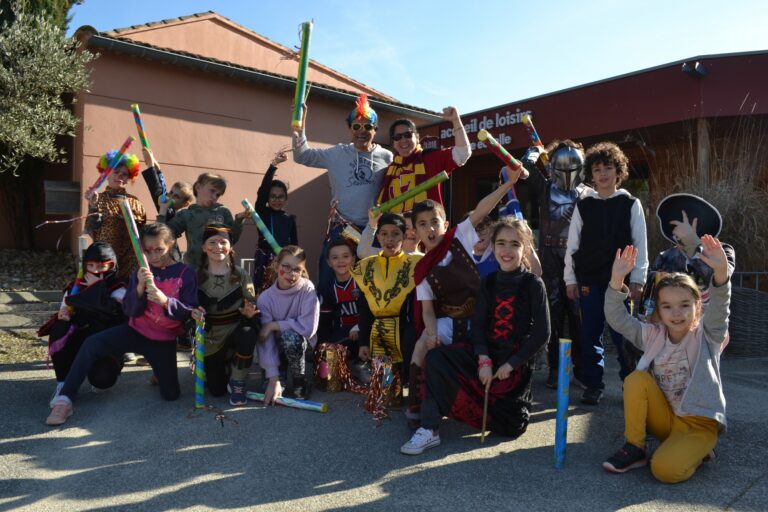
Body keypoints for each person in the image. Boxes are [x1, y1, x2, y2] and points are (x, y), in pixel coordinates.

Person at [400, 218, 550, 454]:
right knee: (436, 357)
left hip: (513, 369)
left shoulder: (533, 284)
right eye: (501, 243)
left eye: (514, 244)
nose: (507, 251)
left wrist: (511, 364)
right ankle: (429, 429)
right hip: (486, 359)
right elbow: (478, 326)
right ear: (493, 246)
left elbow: (542, 333)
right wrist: (483, 360)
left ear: (525, 249)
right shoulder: (488, 283)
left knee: (511, 426)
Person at [601, 238, 729, 483]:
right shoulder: (653, 335)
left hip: (698, 424)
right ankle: (635, 447)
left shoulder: (707, 335)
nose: (677, 313)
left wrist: (721, 274)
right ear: (658, 311)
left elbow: (721, 309)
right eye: (667, 306)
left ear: (697, 307)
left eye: (684, 305)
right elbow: (618, 319)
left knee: (664, 470)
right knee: (636, 379)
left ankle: (699, 450)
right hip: (668, 419)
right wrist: (617, 281)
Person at [46, 223, 198, 426]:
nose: (153, 256)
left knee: (171, 395)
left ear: (170, 245)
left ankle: (159, 370)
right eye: (148, 250)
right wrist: (139, 288)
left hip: (163, 339)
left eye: (159, 249)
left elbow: (189, 310)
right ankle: (65, 398)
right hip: (135, 331)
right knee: (92, 343)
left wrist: (164, 301)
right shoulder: (140, 272)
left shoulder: (185, 273)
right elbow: (130, 310)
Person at [406, 173, 520, 425]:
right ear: (415, 231)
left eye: (435, 221)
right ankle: (416, 404)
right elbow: (427, 311)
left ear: (445, 225)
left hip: (481, 319)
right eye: (422, 224)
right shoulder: (422, 269)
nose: (430, 228)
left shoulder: (459, 237)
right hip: (450, 321)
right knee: (421, 345)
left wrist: (508, 184)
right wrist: (433, 333)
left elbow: (482, 209)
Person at [564, 142, 648, 405]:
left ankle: (631, 383)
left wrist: (638, 278)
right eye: (597, 169)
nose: (603, 174)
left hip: (620, 283)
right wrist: (570, 279)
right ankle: (593, 385)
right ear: (591, 173)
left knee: (623, 336)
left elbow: (641, 243)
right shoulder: (584, 205)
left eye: (608, 168)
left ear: (618, 171)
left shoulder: (630, 204)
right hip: (588, 280)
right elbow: (572, 244)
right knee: (590, 335)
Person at [292, 93, 393, 292]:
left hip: (371, 230)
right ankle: (326, 318)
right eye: (356, 126)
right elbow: (302, 155)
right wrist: (299, 126)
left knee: (372, 281)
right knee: (329, 276)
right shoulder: (336, 153)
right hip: (342, 227)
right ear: (349, 129)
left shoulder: (387, 156)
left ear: (376, 129)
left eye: (367, 127)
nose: (361, 131)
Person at [522, 140, 590, 388]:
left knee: (578, 318)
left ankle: (581, 370)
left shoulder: (588, 193)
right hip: (549, 260)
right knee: (553, 315)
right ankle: (554, 369)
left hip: (577, 261)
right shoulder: (545, 188)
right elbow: (525, 167)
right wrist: (537, 150)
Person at [42, 242, 127, 408]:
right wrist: (64, 315)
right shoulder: (75, 287)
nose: (95, 271)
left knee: (103, 379)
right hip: (79, 341)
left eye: (102, 266)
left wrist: (97, 289)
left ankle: (93, 371)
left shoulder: (120, 288)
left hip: (106, 344)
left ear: (112, 265)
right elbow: (65, 308)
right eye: (91, 265)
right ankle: (63, 383)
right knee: (59, 327)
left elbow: (116, 316)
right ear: (84, 265)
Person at [351, 213, 422, 393]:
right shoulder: (369, 265)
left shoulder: (415, 264)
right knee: (386, 393)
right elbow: (365, 308)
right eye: (384, 234)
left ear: (404, 236)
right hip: (378, 333)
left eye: (395, 234)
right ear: (378, 236)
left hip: (406, 331)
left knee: (404, 386)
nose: (389, 239)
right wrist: (363, 341)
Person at [191, 224, 261, 406]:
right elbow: (187, 305)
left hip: (235, 329)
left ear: (230, 246)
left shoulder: (241, 274)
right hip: (210, 338)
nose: (218, 247)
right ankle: (223, 367)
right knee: (217, 391)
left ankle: (237, 381)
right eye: (212, 242)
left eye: (223, 242)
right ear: (204, 247)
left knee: (248, 332)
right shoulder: (195, 276)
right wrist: (194, 313)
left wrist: (249, 312)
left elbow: (250, 301)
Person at [256, 245, 320, 404]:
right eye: (286, 267)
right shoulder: (265, 299)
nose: (291, 274)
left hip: (302, 345)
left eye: (297, 269)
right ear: (277, 266)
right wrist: (273, 378)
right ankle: (280, 372)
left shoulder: (307, 289)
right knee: (271, 388)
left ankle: (300, 379)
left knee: (290, 336)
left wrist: (274, 325)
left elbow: (308, 328)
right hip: (276, 350)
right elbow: (266, 340)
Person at [376, 108, 470, 214]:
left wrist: (456, 120)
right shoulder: (389, 170)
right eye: (397, 137)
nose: (403, 140)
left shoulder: (430, 158)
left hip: (426, 228)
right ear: (393, 143)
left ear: (417, 137)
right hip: (398, 228)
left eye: (407, 135)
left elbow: (462, 154)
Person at [158, 172, 248, 270]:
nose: (214, 196)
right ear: (198, 187)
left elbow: (232, 239)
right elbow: (163, 235)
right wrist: (162, 210)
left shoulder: (222, 212)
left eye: (218, 194)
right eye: (212, 191)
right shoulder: (187, 214)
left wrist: (239, 220)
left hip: (218, 269)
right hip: (194, 268)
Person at [85, 150, 147, 280]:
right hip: (105, 260)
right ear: (106, 174)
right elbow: (92, 228)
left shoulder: (135, 202)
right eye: (116, 172)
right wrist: (93, 206)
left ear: (128, 178)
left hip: (130, 261)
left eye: (124, 174)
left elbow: (142, 233)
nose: (119, 176)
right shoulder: (98, 198)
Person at [252, 150, 299, 291]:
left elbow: (295, 246)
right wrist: (273, 165)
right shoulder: (263, 212)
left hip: (285, 262)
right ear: (267, 198)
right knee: (263, 292)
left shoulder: (290, 219)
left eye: (280, 197)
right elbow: (262, 191)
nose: (276, 200)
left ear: (286, 198)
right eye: (272, 196)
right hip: (265, 261)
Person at [318, 238, 360, 348]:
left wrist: (359, 328)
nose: (341, 261)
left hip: (365, 332)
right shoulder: (326, 289)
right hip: (342, 336)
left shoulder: (363, 283)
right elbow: (325, 323)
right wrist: (324, 345)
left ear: (353, 259)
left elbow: (372, 315)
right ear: (329, 262)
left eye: (345, 256)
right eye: (335, 257)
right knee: (328, 359)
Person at [357, 209, 423, 259]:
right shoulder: (383, 254)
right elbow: (362, 253)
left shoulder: (425, 259)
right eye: (407, 228)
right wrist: (372, 225)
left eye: (415, 228)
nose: (412, 232)